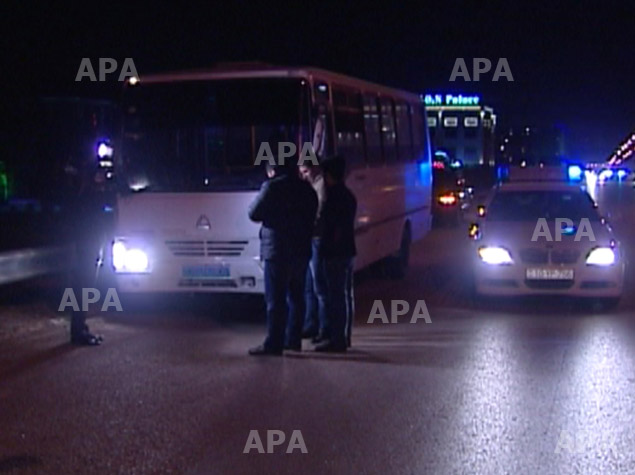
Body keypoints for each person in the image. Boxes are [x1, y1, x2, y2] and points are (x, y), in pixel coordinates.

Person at [248, 159, 318, 356]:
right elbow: (313, 213)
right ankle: (293, 340)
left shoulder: (272, 188)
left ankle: (274, 342)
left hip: (277, 251)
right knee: (297, 296)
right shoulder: (307, 189)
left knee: (275, 299)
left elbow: (253, 213)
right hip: (301, 249)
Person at [315, 155, 356, 352]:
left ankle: (336, 339)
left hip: (334, 252)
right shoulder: (349, 196)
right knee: (345, 295)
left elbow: (330, 227)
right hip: (347, 251)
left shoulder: (333, 198)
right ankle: (344, 336)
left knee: (335, 296)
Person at [298, 162, 328, 342]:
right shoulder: (310, 185)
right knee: (309, 285)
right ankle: (311, 324)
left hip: (317, 238)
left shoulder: (321, 185)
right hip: (310, 238)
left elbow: (319, 211)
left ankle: (324, 328)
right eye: (301, 172)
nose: (304, 176)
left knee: (319, 286)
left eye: (306, 171)